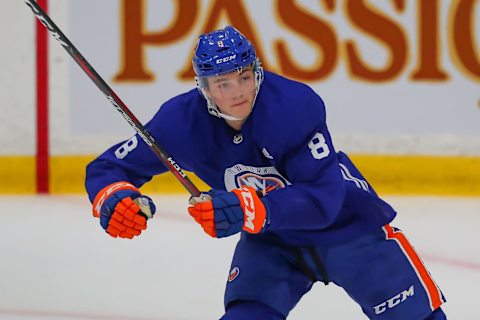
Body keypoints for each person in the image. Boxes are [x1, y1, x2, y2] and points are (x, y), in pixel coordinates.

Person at [85, 26, 447, 319]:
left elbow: (324, 198)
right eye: (223, 84)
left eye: (243, 77)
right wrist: (115, 197)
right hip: (273, 243)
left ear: (256, 71)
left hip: (348, 229)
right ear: (204, 88)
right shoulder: (180, 122)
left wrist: (246, 208)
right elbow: (109, 167)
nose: (238, 92)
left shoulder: (294, 106)